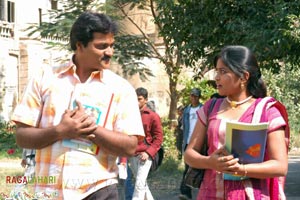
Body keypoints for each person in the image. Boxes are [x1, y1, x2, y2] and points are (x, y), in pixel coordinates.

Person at [12, 11, 144, 200]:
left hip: (99, 191)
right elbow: (22, 136)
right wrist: (60, 131)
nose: (110, 52)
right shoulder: (45, 78)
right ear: (79, 45)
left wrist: (92, 129)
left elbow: (130, 147)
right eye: (102, 46)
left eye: (112, 46)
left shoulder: (121, 89)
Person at [184, 45, 290, 199]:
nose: (217, 77)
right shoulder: (210, 107)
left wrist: (242, 169)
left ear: (244, 77)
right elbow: (189, 154)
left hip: (250, 195)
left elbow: (280, 166)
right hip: (210, 193)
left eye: (223, 71)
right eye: (217, 71)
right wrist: (210, 162)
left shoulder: (267, 112)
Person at [128, 87, 163, 200]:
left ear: (146, 100)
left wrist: (148, 153)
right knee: (142, 184)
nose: (136, 102)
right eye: (135, 99)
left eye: (139, 99)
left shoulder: (153, 116)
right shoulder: (130, 114)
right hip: (132, 154)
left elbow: (158, 138)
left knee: (139, 185)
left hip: (145, 155)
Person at [179, 88, 203, 200]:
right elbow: (183, 128)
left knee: (200, 167)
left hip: (199, 143)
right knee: (187, 167)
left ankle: (202, 191)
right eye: (192, 96)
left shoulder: (203, 109)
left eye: (195, 96)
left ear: (199, 97)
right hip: (188, 142)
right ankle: (185, 192)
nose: (193, 98)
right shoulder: (186, 110)